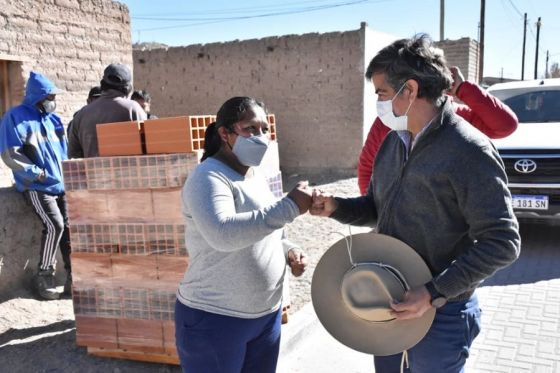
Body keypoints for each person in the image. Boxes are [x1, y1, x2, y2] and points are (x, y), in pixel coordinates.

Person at [310, 35, 521, 372]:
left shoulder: (469, 151)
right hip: (391, 300)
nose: (378, 102)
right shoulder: (395, 141)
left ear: (408, 90)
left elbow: (503, 243)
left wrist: (434, 291)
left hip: (443, 314)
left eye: (380, 92)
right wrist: (336, 207)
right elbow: (377, 208)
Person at [175, 96, 312, 373]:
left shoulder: (253, 175)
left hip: (265, 316)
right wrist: (291, 206)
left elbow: (263, 230)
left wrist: (288, 250)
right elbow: (223, 234)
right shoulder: (209, 177)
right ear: (224, 133)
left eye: (264, 129)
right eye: (250, 128)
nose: (259, 136)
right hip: (216, 318)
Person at [357, 65, 518, 195]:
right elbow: (367, 170)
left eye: (383, 94)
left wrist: (462, 88)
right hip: (395, 230)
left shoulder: (459, 120)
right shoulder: (387, 122)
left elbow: (505, 125)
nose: (381, 102)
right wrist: (377, 214)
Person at [0, 71, 71, 300]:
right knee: (55, 225)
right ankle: (44, 276)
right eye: (49, 96)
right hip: (37, 187)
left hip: (61, 185)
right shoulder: (15, 117)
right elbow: (11, 154)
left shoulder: (54, 120)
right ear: (37, 96)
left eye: (53, 96)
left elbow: (65, 150)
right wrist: (37, 175)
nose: (53, 101)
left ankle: (73, 279)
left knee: (70, 230)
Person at [67, 63, 146, 158]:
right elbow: (147, 149)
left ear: (102, 84)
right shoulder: (133, 109)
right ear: (128, 88)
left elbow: (73, 156)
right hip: (127, 172)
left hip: (92, 172)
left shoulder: (82, 114)